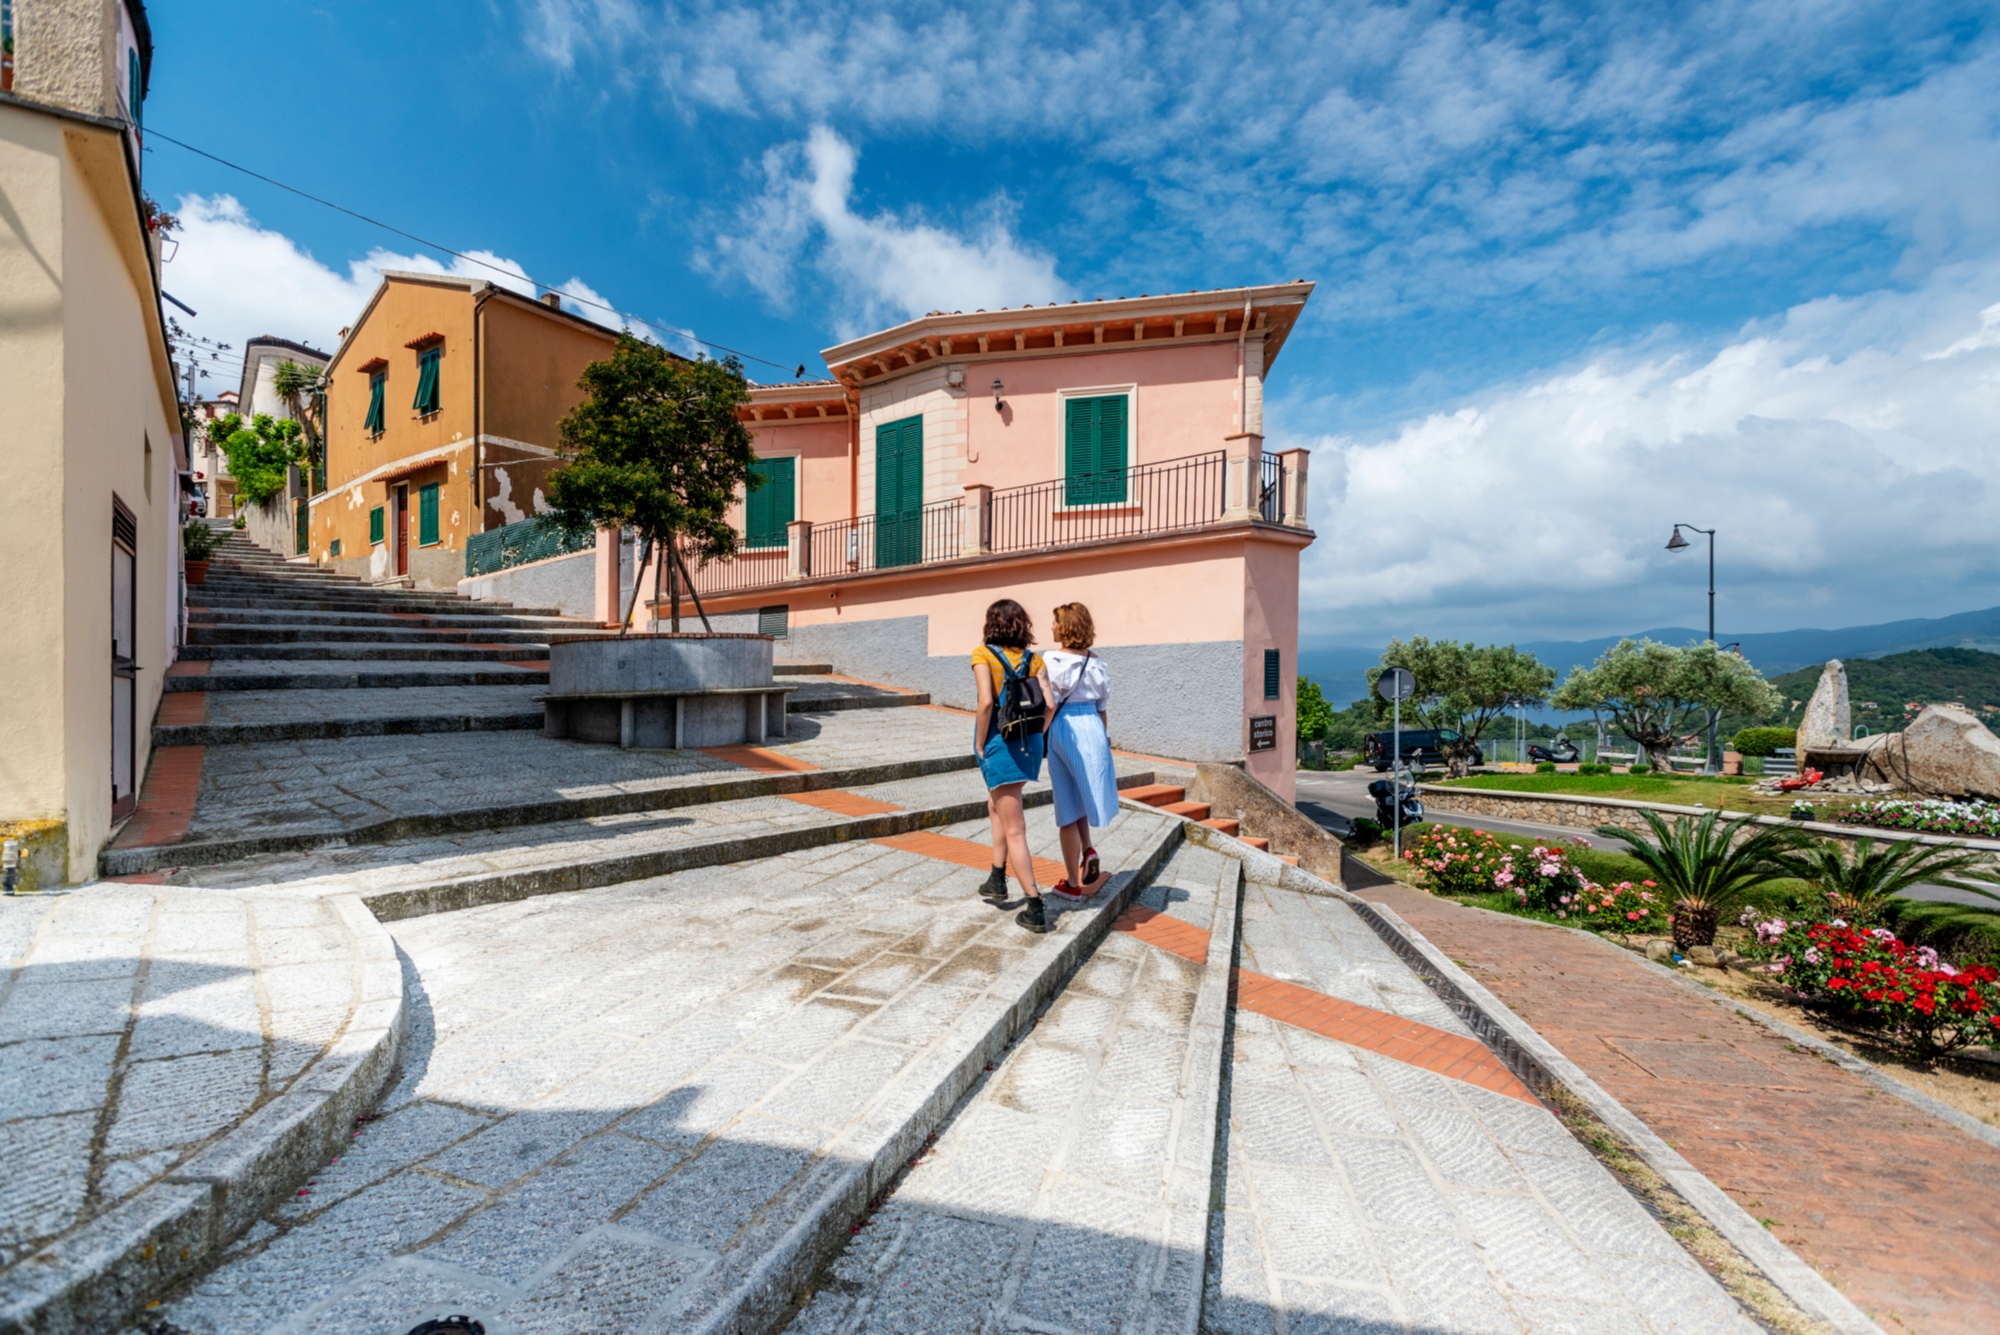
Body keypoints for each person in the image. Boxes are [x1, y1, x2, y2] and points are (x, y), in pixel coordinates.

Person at [971, 599, 1052, 933]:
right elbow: (1049, 704)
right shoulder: (1036, 659)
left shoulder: (983, 654)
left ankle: (1034, 906)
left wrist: (978, 744)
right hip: (1029, 741)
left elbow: (986, 702)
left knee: (1015, 828)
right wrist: (1038, 737)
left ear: (992, 623)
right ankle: (996, 877)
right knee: (996, 806)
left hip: (1000, 742)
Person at [1043, 603, 1120, 899]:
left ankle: (1073, 885)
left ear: (1065, 627)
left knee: (1067, 801)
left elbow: (1049, 704)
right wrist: (1103, 741)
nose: (1051, 627)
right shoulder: (1098, 664)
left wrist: (1041, 735)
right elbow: (1102, 710)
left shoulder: (1052, 660)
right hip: (1093, 727)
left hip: (1065, 727)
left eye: (1055, 622)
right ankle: (1087, 848)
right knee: (1081, 792)